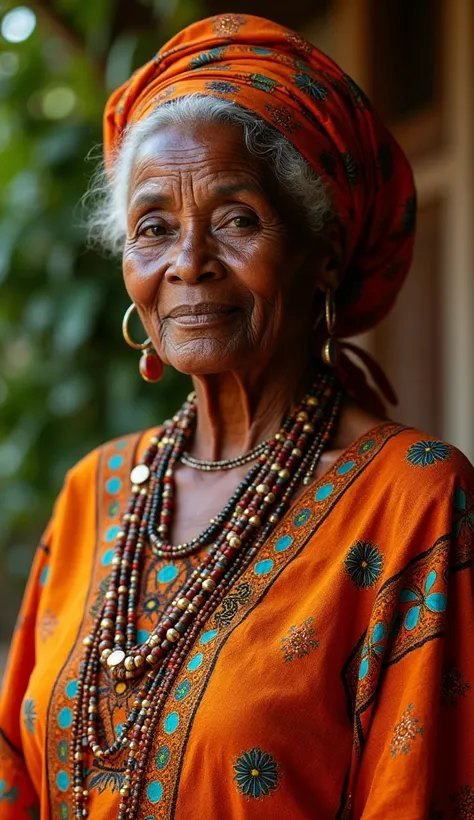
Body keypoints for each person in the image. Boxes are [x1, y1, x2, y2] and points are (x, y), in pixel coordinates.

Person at [0, 13, 472, 820]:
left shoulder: (413, 503)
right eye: (154, 227)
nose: (188, 262)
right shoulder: (94, 492)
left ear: (324, 250)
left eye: (236, 218)